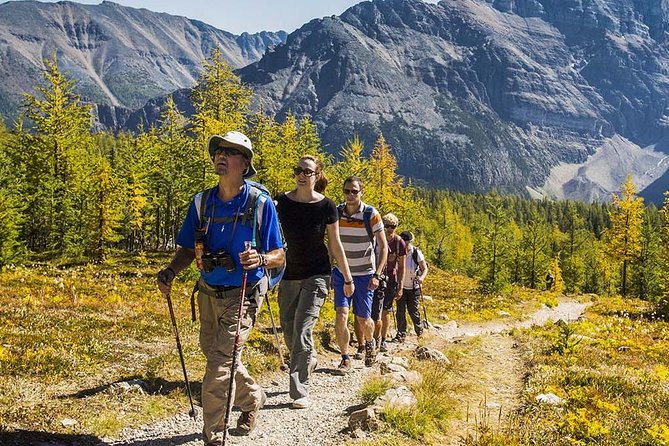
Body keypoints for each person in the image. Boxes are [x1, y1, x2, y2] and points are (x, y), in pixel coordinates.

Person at [157, 131, 285, 445]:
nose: (221, 156)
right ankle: (254, 398)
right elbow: (189, 247)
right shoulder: (202, 203)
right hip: (207, 292)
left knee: (218, 364)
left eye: (230, 151)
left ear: (244, 163)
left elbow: (280, 253)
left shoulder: (259, 203)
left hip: (243, 293)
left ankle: (213, 435)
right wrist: (172, 270)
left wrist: (261, 258)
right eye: (218, 151)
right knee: (218, 355)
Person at [275, 155, 354, 409]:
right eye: (298, 170)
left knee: (303, 328)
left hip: (318, 274)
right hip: (287, 274)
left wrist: (347, 276)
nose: (301, 174)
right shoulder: (281, 202)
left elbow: (335, 243)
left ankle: (300, 390)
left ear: (317, 175)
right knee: (289, 329)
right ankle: (309, 358)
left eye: (307, 171)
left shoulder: (327, 206)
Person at [332, 176, 388, 374]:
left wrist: (377, 275)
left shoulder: (371, 214)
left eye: (354, 191)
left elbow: (383, 247)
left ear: (361, 192)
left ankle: (370, 342)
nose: (350, 195)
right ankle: (345, 357)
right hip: (341, 272)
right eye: (347, 191)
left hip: (365, 274)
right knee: (342, 315)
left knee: (363, 319)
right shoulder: (337, 212)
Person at [369, 213, 406, 354]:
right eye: (387, 226)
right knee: (374, 310)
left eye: (393, 226)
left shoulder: (399, 242)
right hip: (376, 276)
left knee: (386, 310)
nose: (390, 229)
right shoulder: (376, 239)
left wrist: (400, 286)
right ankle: (373, 337)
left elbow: (401, 266)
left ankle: (383, 339)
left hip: (391, 278)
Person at [396, 231, 428, 341]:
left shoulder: (416, 253)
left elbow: (424, 269)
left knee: (413, 311)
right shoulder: (398, 253)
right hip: (401, 286)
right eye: (403, 242)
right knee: (400, 311)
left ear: (410, 242)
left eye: (406, 243)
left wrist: (421, 278)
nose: (404, 245)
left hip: (414, 287)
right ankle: (401, 334)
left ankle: (419, 331)